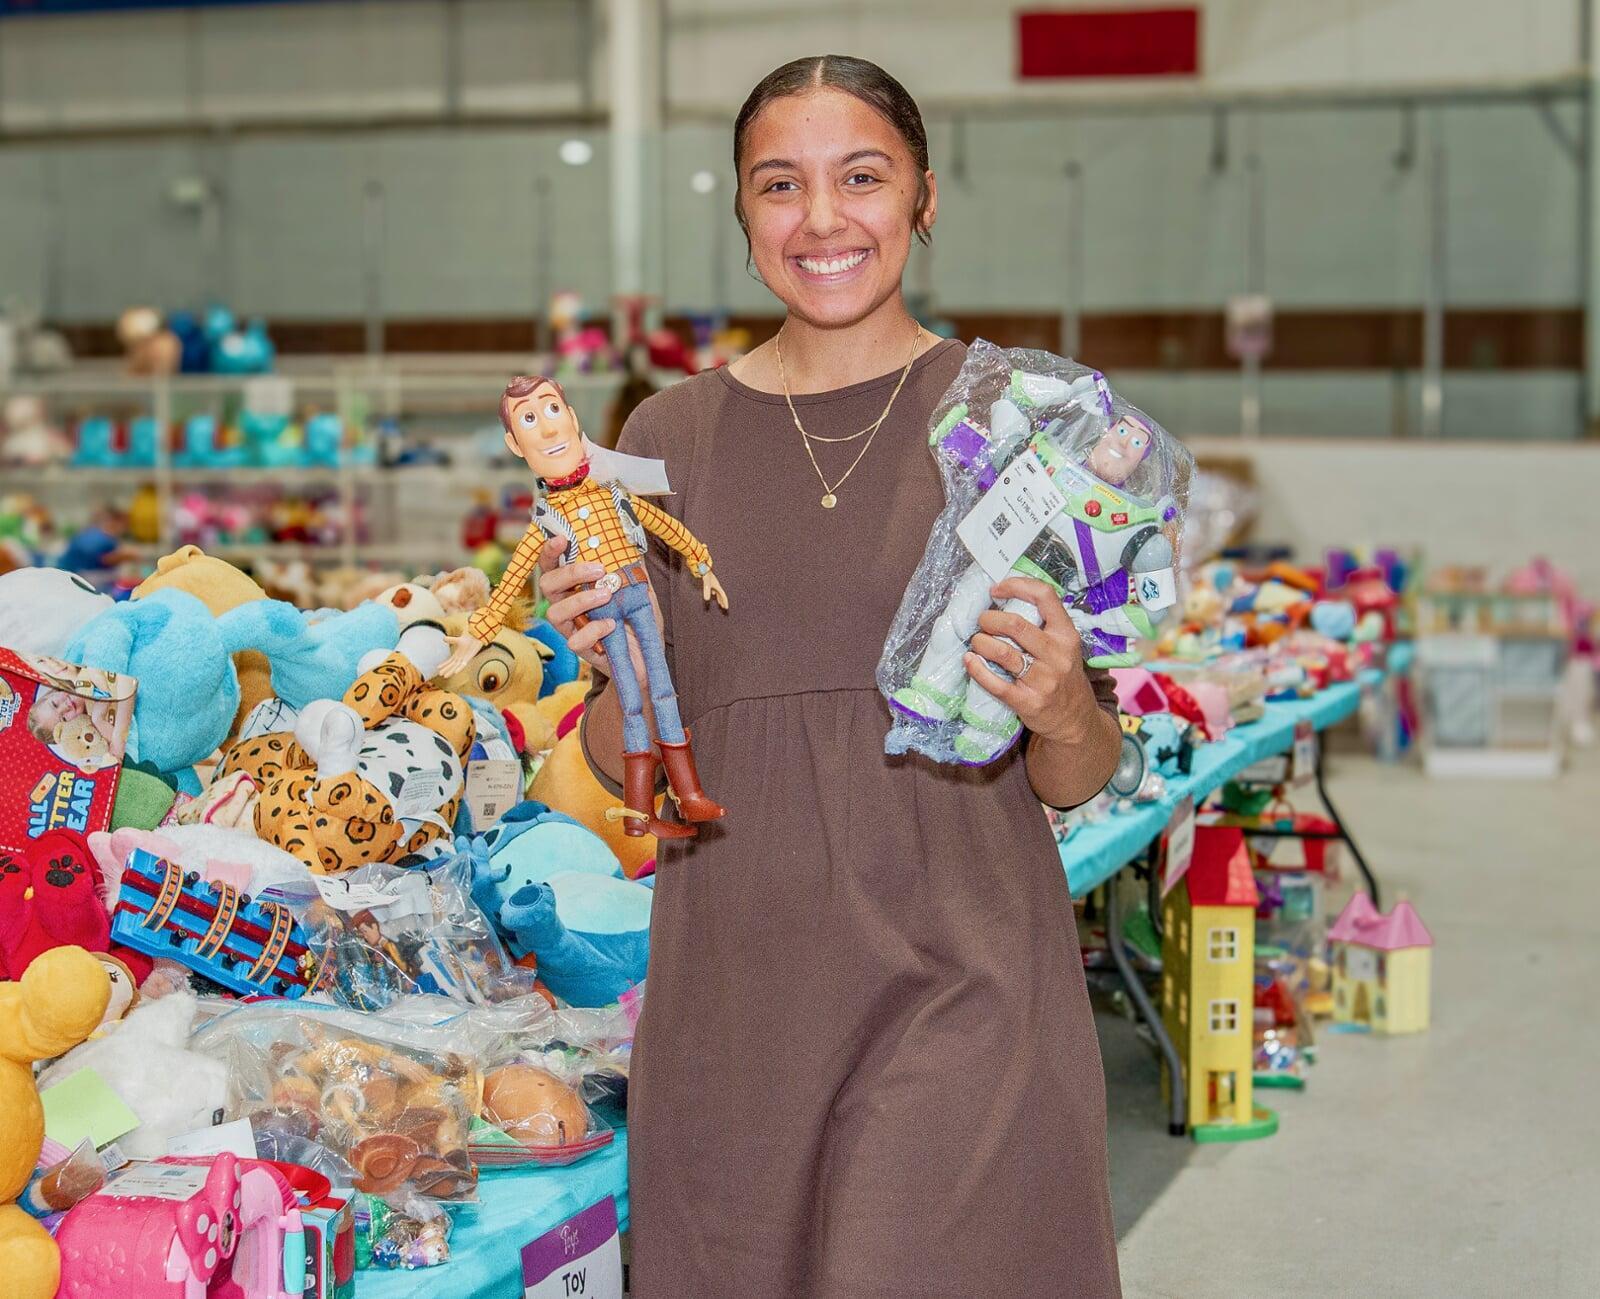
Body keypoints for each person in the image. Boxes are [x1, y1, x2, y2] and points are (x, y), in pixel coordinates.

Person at [537, 55, 1123, 1297]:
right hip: (737, 1007)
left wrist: (1064, 699)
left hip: (961, 983)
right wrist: (602, 655)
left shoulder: (1017, 418)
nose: (821, 219)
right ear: (743, 219)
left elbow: (1078, 771)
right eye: (778, 185)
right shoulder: (662, 438)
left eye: (861, 177)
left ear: (922, 197)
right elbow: (620, 758)